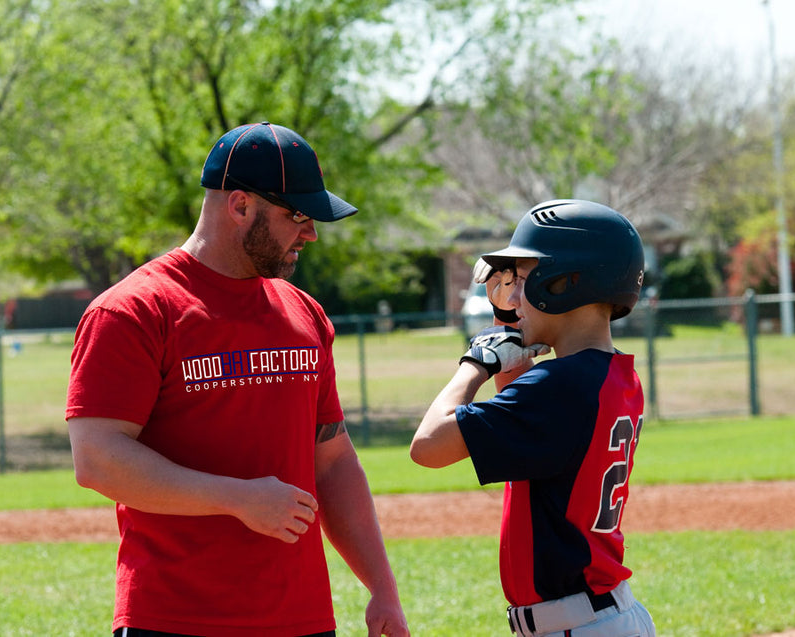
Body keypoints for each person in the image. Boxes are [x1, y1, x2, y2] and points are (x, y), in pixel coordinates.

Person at [66, 122, 410, 637]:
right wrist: (237, 497)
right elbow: (97, 460)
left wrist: (381, 587)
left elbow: (333, 461)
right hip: (175, 619)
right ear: (241, 206)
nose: (311, 232)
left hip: (302, 619)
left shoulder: (304, 313)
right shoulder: (134, 310)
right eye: (297, 215)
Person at [410, 199, 656, 637]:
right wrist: (513, 364)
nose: (514, 297)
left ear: (565, 283)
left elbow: (428, 446)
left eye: (524, 279)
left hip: (576, 625)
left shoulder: (559, 385)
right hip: (598, 616)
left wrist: (475, 364)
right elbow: (527, 440)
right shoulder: (613, 374)